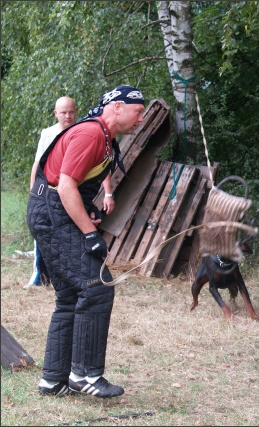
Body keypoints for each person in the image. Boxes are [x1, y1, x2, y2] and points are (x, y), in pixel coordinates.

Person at [27, 85, 146, 398]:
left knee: (69, 295)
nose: (142, 118)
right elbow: (64, 185)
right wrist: (91, 235)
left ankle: (53, 381)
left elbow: (72, 187)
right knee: (96, 285)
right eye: (138, 111)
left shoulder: (105, 138)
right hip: (51, 212)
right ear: (117, 108)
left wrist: (88, 208)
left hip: (50, 209)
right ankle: (85, 374)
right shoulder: (92, 134)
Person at [26, 97, 116, 288]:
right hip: (50, 196)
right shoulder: (48, 134)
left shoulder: (87, 131)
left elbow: (102, 167)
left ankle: (73, 282)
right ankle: (40, 277)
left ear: (76, 111)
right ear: (55, 113)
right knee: (45, 240)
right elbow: (38, 164)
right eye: (63, 112)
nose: (68, 116)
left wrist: (108, 193)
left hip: (73, 195)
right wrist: (34, 194)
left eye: (71, 112)